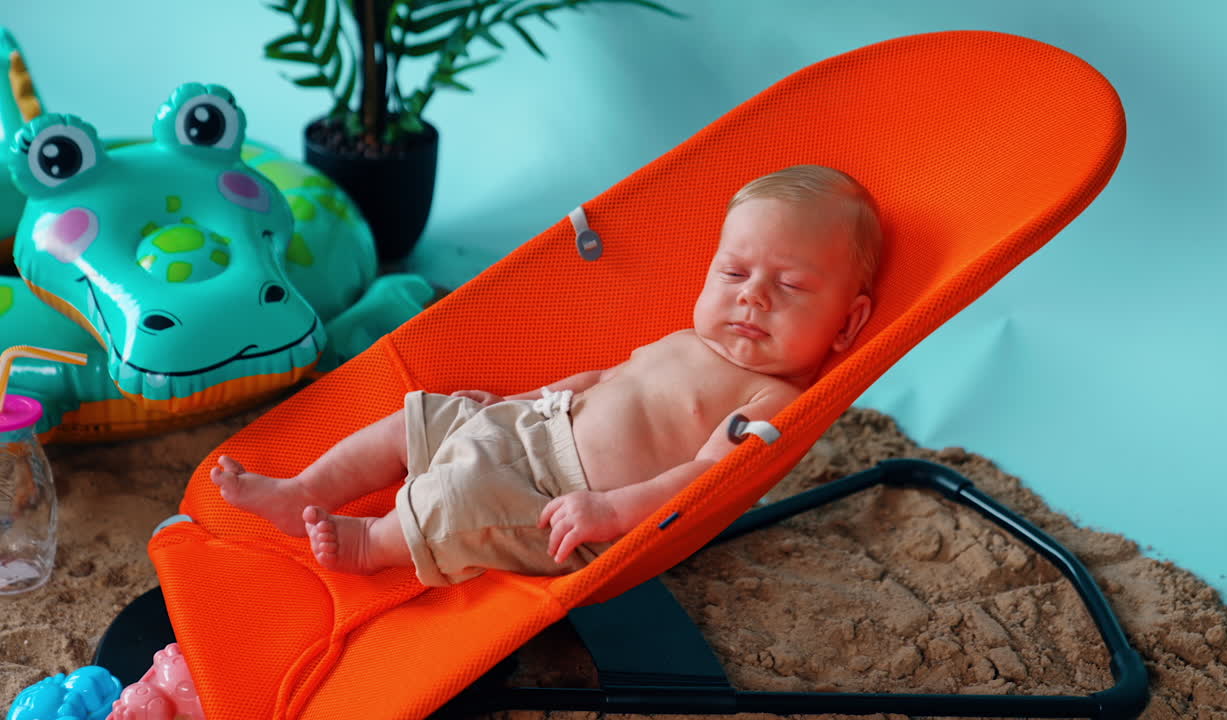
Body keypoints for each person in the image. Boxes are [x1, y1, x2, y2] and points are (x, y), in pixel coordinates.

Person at [210, 164, 884, 586]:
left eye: (790, 286)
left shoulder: (770, 397)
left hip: (564, 500)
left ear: (848, 326)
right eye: (733, 273)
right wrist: (519, 403)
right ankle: (303, 489)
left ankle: (370, 543)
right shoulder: (691, 338)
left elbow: (705, 478)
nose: (752, 297)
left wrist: (609, 511)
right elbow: (604, 378)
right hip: (538, 425)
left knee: (464, 493)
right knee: (420, 414)